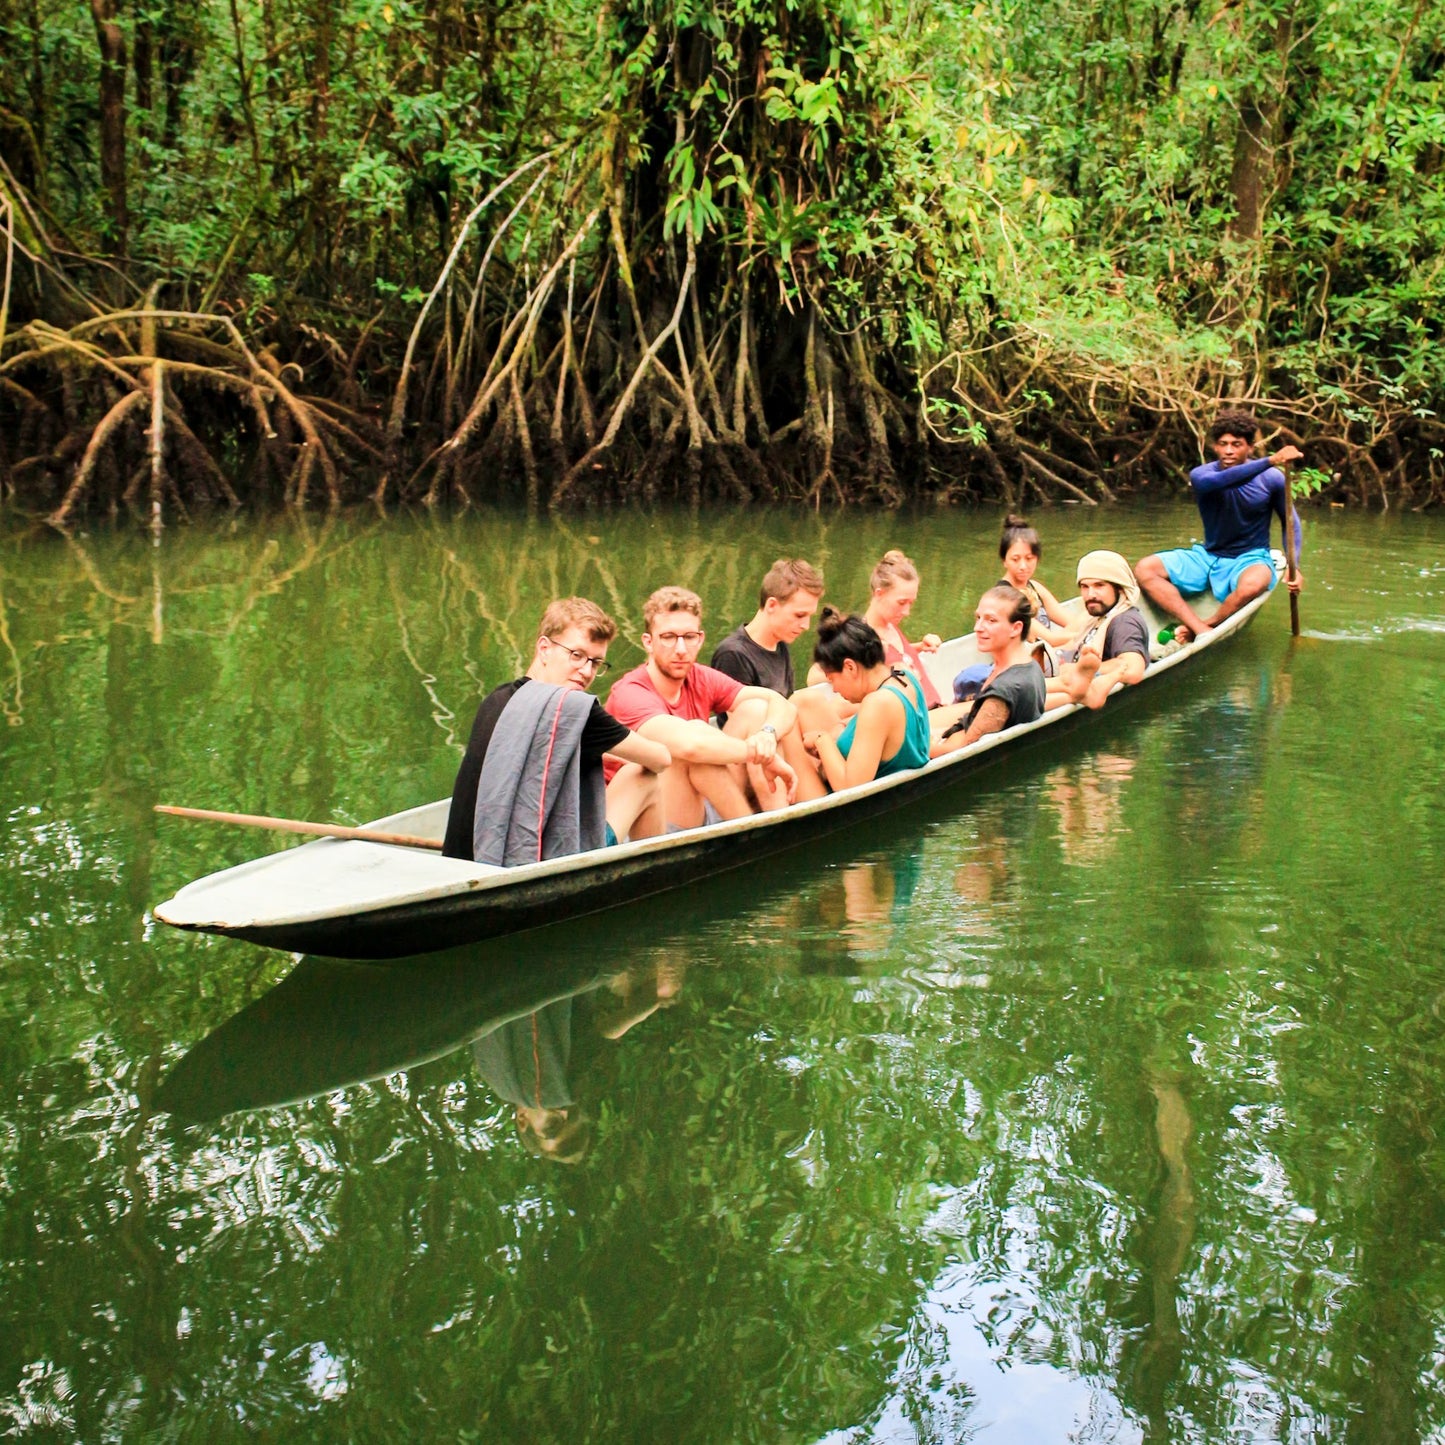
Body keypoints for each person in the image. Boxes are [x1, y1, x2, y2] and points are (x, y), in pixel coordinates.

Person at [441, 597, 671, 861]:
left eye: (596, 663)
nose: (586, 671)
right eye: (576, 655)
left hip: (466, 859)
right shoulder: (574, 709)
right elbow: (661, 759)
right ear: (544, 648)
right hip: (531, 863)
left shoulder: (497, 698)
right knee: (643, 777)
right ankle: (650, 875)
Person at [605, 586, 813, 827]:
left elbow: (780, 704)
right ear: (648, 642)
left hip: (705, 798)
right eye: (669, 637)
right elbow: (690, 747)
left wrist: (767, 735)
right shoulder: (630, 693)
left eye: (689, 637)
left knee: (756, 709)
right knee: (692, 748)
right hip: (650, 821)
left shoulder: (700, 677)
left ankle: (777, 823)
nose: (681, 649)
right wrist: (762, 756)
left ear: (700, 639)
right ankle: (748, 835)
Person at [1135, 410, 1304, 642]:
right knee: (1146, 568)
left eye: (1237, 444)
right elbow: (1225, 479)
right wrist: (1271, 460)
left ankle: (1209, 623)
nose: (1229, 450)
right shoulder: (1202, 475)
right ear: (1214, 447)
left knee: (1256, 583)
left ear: (1250, 447)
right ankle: (1198, 627)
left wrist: (1296, 567)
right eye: (1223, 444)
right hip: (1208, 555)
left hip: (1250, 558)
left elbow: (1291, 522)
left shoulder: (1272, 479)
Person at [800, 609, 932, 789]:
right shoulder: (905, 675)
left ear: (850, 667)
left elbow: (850, 789)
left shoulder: (878, 704)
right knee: (806, 701)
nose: (835, 689)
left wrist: (821, 740)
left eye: (832, 680)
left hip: (864, 800)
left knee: (796, 708)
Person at [930, 585, 1046, 756]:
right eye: (978, 617)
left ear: (1016, 628)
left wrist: (918, 745)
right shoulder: (1029, 666)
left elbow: (965, 752)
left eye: (991, 620)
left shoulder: (1004, 690)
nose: (978, 627)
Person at [709, 558, 825, 717]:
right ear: (771, 605)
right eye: (799, 615)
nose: (806, 625)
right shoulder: (733, 655)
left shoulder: (780, 643)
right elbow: (744, 722)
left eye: (809, 616)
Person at [1044, 552, 1151, 711]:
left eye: (1099, 586)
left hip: (1070, 682)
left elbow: (1133, 669)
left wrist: (1082, 670)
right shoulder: (1093, 616)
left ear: (1119, 588)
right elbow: (1066, 641)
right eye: (1084, 587)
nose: (1090, 595)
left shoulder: (1124, 621)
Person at [998, 514, 1078, 641]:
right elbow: (1051, 639)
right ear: (1004, 560)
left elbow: (1073, 623)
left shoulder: (1035, 587)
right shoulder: (1003, 595)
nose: (1023, 566)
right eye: (1015, 559)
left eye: (1029, 558)